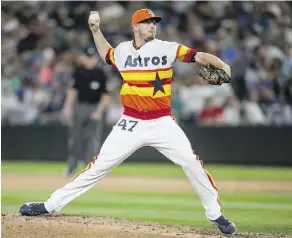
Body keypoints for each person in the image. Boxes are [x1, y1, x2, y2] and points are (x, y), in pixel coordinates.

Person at [19, 9, 236, 235]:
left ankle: (215, 214)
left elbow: (199, 56)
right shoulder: (123, 50)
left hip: (161, 121)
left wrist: (222, 64)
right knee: (98, 166)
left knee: (192, 163)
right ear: (135, 27)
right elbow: (106, 53)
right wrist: (95, 30)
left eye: (154, 22)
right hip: (130, 122)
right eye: (146, 22)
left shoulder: (167, 48)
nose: (152, 26)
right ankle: (50, 205)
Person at [62, 46, 110, 176]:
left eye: (92, 57)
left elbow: (105, 95)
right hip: (79, 107)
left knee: (93, 140)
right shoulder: (78, 72)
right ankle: (72, 166)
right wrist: (67, 107)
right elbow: (72, 91)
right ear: (83, 58)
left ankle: (90, 169)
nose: (89, 60)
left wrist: (99, 111)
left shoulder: (100, 73)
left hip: (94, 107)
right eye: (87, 57)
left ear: (95, 58)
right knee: (75, 138)